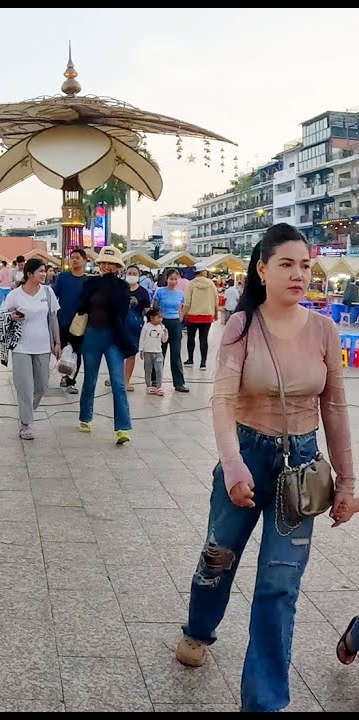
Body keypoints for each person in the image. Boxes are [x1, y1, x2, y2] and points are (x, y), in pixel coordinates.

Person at [176, 224, 355, 712]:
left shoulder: (323, 329)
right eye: (287, 264)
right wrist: (232, 465)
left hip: (300, 465)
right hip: (249, 451)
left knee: (280, 582)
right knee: (219, 554)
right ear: (262, 269)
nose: (299, 274)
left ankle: (264, 701)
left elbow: (335, 408)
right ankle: (199, 627)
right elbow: (223, 399)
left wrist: (347, 481)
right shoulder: (241, 326)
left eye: (304, 265)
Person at [0, 258, 60, 441]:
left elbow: (53, 318)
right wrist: (12, 317)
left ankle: (27, 411)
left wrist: (57, 342)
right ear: (29, 274)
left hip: (43, 347)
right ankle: (26, 423)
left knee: (42, 385)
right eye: (40, 271)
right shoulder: (15, 295)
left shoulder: (48, 292)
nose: (44, 274)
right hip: (20, 347)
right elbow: (2, 316)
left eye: (45, 271)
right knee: (24, 387)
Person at [76, 246, 133, 445]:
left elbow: (121, 311)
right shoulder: (90, 283)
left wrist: (110, 284)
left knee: (118, 383)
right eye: (104, 263)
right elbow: (81, 307)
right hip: (92, 335)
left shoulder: (122, 287)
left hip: (114, 337)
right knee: (89, 379)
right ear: (99, 264)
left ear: (117, 266)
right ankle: (85, 417)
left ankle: (123, 428)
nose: (107, 266)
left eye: (112, 264)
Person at [53, 248, 89, 393]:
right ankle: (64, 374)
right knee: (62, 350)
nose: (74, 260)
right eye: (72, 257)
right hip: (63, 319)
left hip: (80, 322)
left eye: (77, 257)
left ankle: (70, 381)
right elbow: (54, 295)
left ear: (85, 260)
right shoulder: (63, 277)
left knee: (76, 352)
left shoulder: (88, 281)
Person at [110, 265, 151, 392]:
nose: (131, 275)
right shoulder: (119, 289)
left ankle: (126, 381)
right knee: (116, 354)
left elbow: (147, 311)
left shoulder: (143, 292)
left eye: (134, 273)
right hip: (118, 326)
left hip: (134, 327)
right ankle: (116, 378)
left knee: (131, 354)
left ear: (139, 276)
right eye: (129, 273)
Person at [155, 268, 190, 393]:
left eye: (176, 279)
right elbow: (155, 307)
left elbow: (184, 306)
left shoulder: (180, 293)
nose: (174, 281)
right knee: (160, 353)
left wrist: (181, 318)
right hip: (163, 324)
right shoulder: (160, 292)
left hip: (175, 324)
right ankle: (156, 381)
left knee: (176, 354)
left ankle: (179, 383)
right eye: (171, 279)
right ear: (166, 279)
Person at [183, 263, 219, 369]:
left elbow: (187, 301)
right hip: (207, 316)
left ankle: (190, 359)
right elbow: (216, 300)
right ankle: (203, 362)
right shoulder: (211, 284)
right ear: (203, 272)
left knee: (191, 338)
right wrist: (215, 313)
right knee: (203, 339)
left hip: (192, 316)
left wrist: (183, 314)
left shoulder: (191, 284)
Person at [139, 308, 168, 395]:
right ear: (151, 318)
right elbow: (142, 338)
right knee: (148, 370)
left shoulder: (161, 327)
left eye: (161, 317)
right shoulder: (146, 326)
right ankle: (149, 386)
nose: (160, 319)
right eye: (158, 317)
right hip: (148, 352)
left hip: (158, 352)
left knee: (159, 370)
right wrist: (141, 349)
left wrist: (165, 333)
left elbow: (164, 340)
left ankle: (159, 386)